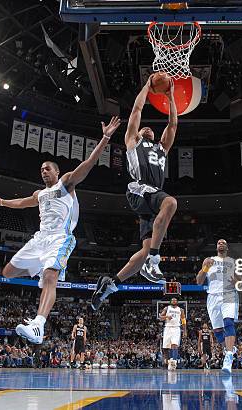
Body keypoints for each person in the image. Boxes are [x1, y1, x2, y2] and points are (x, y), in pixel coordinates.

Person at [0, 117, 122, 343]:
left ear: (56, 171)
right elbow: (23, 202)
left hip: (60, 239)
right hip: (39, 240)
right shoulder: (39, 194)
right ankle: (39, 270)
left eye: (47, 168)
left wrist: (106, 137)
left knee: (51, 277)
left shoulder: (66, 184)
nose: (43, 171)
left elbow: (90, 162)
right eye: (41, 169)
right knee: (7, 273)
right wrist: (3, 203)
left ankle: (38, 325)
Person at [91, 78, 178, 310]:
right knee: (170, 203)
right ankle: (154, 259)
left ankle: (112, 283)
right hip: (140, 189)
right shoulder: (133, 142)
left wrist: (171, 98)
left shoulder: (162, 148)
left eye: (150, 128)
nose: (147, 127)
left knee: (144, 249)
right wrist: (147, 86)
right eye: (143, 128)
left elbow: (172, 125)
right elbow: (137, 109)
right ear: (137, 134)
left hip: (150, 199)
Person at [195, 239, 238, 373]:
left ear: (227, 247)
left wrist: (235, 281)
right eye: (219, 242)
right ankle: (230, 349)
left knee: (228, 323)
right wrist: (205, 267)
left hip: (229, 294)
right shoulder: (209, 260)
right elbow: (198, 281)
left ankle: (229, 357)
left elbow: (240, 282)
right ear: (216, 247)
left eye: (223, 242)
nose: (221, 243)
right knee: (218, 332)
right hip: (212, 296)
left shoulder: (232, 262)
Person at [159, 297, 186, 370]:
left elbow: (183, 320)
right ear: (170, 301)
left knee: (175, 345)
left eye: (175, 300)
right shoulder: (166, 308)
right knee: (165, 348)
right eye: (172, 300)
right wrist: (167, 316)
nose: (174, 301)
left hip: (176, 328)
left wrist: (185, 331)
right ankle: (166, 363)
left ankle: (173, 363)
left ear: (177, 302)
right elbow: (160, 317)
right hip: (167, 328)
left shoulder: (181, 310)